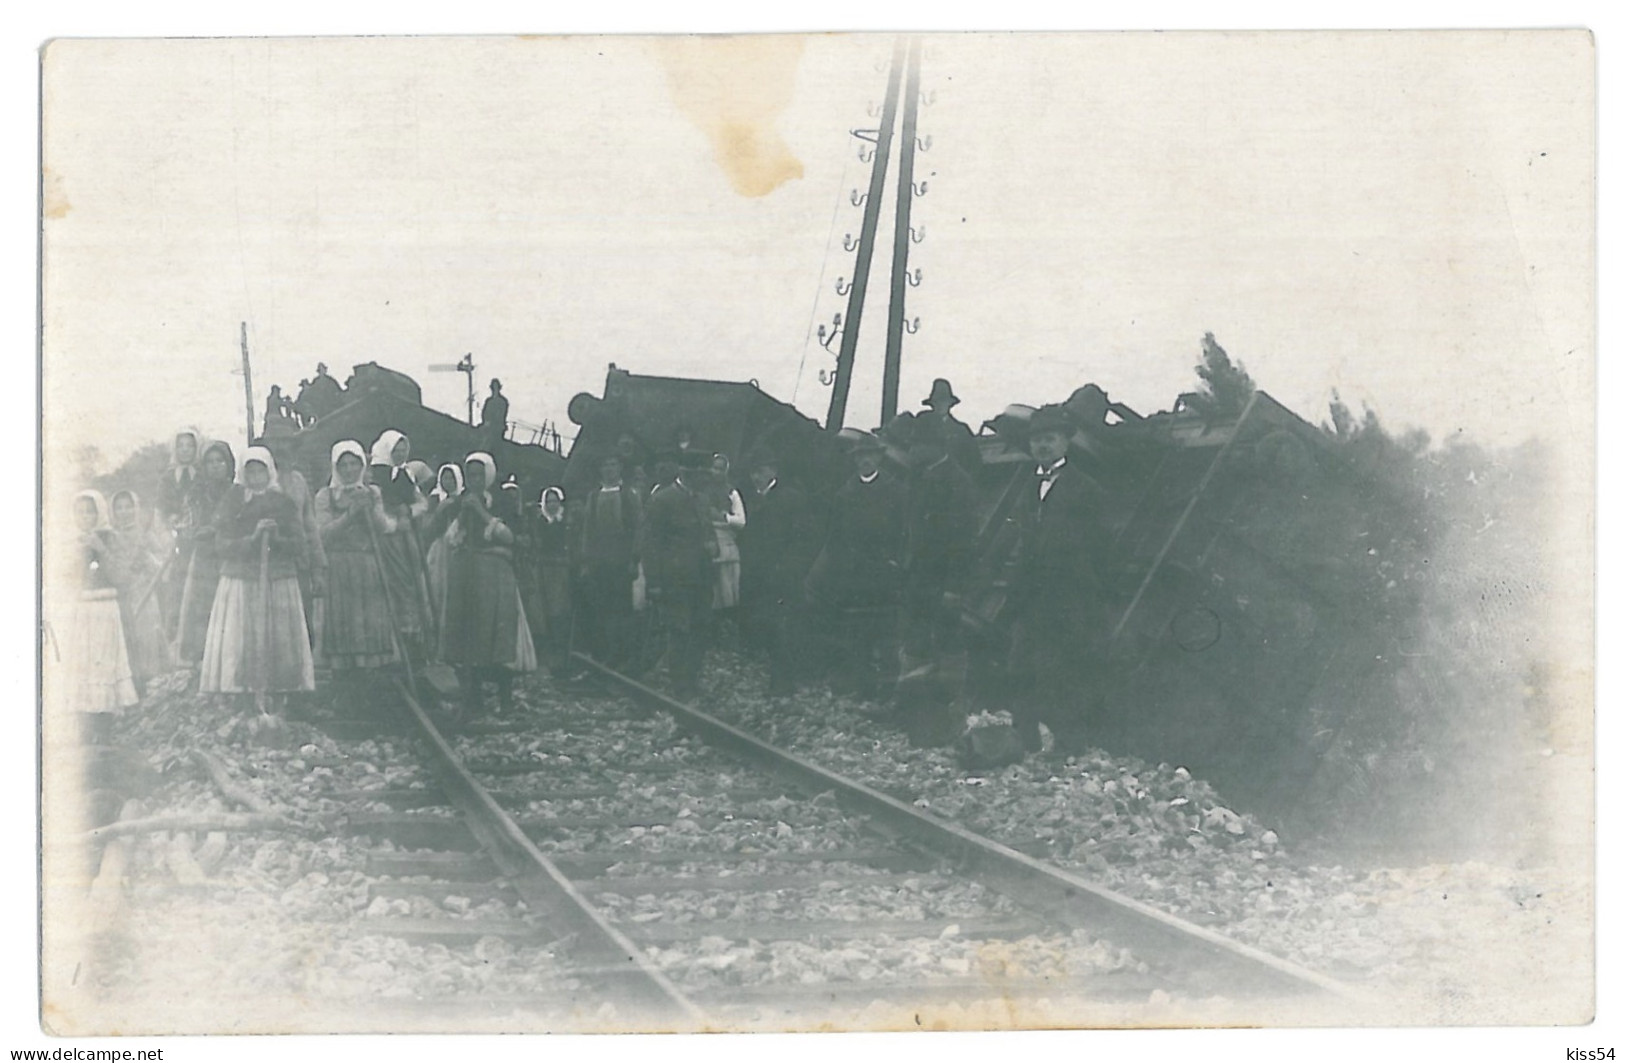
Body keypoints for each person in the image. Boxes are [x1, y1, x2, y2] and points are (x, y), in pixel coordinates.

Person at [1005, 405, 1112, 755]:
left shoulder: (1087, 488)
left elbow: (1100, 545)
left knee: (1064, 671)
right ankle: (1025, 740)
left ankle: (1068, 746)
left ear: (1066, 442)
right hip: (1031, 596)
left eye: (1050, 439)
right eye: (1037, 440)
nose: (1043, 446)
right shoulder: (1027, 488)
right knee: (1021, 666)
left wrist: (1080, 584)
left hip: (1069, 596)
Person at [198, 447, 315, 700]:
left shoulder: (284, 503)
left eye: (260, 470)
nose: (255, 476)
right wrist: (251, 539)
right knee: (242, 637)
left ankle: (282, 690)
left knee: (279, 637)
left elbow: (299, 543)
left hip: (278, 579)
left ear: (269, 471)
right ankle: (242, 691)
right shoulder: (232, 501)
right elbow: (221, 545)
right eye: (249, 471)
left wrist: (277, 538)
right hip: (241, 579)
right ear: (242, 473)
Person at [430, 452, 536, 714]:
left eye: (479, 475)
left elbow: (511, 537)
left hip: (496, 575)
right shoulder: (460, 503)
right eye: (470, 475)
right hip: (468, 573)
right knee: (470, 635)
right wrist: (461, 515)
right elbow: (451, 539)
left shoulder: (502, 502)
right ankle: (474, 697)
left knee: (498, 634)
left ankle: (505, 698)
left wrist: (480, 512)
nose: (475, 480)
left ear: (488, 475)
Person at [896, 413, 979, 744]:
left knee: (947, 645)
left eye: (916, 445)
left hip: (943, 582)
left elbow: (963, 541)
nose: (911, 451)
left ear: (934, 447)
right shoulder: (921, 478)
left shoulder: (957, 483)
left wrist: (954, 587)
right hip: (919, 578)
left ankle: (949, 715)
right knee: (915, 641)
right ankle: (910, 711)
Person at [806, 431, 907, 698]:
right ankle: (862, 688)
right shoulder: (844, 495)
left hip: (883, 573)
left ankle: (887, 692)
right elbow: (835, 537)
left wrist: (896, 562)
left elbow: (905, 532)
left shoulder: (896, 491)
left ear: (879, 458)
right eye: (861, 456)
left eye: (870, 455)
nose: (865, 461)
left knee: (886, 634)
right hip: (854, 575)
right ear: (855, 460)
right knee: (857, 633)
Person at [314, 440, 399, 675]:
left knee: (368, 623)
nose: (350, 470)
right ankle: (345, 683)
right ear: (336, 467)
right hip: (339, 567)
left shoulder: (372, 492)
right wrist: (350, 515)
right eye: (344, 465)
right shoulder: (325, 496)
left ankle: (370, 683)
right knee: (344, 623)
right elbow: (322, 534)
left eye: (355, 463)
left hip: (368, 565)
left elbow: (383, 527)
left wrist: (370, 508)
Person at [60, 490, 138, 737]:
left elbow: (122, 576)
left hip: (105, 609)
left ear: (100, 512)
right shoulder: (69, 541)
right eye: (80, 512)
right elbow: (63, 578)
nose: (85, 517)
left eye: (90, 511)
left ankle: (104, 724)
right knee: (82, 662)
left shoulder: (111, 538)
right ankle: (84, 723)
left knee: (104, 662)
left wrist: (101, 549)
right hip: (82, 610)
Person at [739, 450, 816, 696]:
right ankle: (779, 679)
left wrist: (786, 569)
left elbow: (802, 540)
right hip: (760, 576)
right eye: (753, 472)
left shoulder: (790, 498)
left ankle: (785, 682)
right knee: (768, 628)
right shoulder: (754, 499)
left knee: (783, 628)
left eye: (760, 471)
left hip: (782, 576)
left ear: (773, 471)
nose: (756, 477)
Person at [641, 453, 717, 699]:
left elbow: (708, 532)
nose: (704, 479)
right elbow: (651, 545)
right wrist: (653, 583)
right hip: (675, 579)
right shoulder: (662, 500)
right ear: (686, 473)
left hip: (702, 578)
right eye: (700, 474)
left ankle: (692, 680)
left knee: (701, 629)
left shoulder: (703, 500)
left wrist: (712, 546)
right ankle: (680, 685)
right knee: (679, 631)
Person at [369, 430, 435, 666]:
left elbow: (422, 503)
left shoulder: (407, 473)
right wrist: (396, 522)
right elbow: (376, 511)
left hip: (409, 536)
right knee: (397, 584)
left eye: (404, 450)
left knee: (413, 583)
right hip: (387, 539)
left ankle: (416, 641)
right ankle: (396, 643)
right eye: (396, 450)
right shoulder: (377, 476)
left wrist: (409, 512)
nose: (400, 454)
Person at [574, 454, 642, 668]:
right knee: (600, 608)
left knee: (621, 608)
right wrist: (586, 561)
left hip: (621, 560)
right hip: (599, 561)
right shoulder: (594, 496)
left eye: (613, 464)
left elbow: (639, 529)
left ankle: (623, 655)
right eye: (605, 465)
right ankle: (603, 655)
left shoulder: (629, 495)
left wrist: (634, 559)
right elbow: (587, 530)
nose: (609, 469)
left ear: (620, 467)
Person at [174, 439, 238, 665]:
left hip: (231, 558)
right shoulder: (196, 495)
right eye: (209, 462)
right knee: (202, 610)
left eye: (220, 461)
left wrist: (216, 529)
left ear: (229, 464)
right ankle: (201, 663)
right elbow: (187, 524)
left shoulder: (238, 493)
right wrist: (187, 531)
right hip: (204, 562)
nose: (215, 466)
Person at [108, 490, 174, 693]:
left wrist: (145, 558)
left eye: (128, 506)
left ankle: (151, 679)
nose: (124, 511)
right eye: (119, 507)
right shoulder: (111, 536)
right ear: (113, 511)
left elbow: (161, 562)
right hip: (122, 593)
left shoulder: (145, 534)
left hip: (143, 590)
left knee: (146, 634)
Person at [155, 426, 203, 637]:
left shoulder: (201, 475)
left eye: (189, 446)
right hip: (174, 538)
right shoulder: (167, 477)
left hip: (197, 537)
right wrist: (172, 520)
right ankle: (172, 634)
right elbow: (162, 506)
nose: (185, 450)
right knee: (175, 585)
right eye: (181, 446)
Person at [522, 486, 573, 675]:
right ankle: (545, 653)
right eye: (549, 501)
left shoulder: (566, 521)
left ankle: (560, 651)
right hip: (542, 568)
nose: (552, 505)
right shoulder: (539, 522)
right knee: (542, 608)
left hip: (560, 569)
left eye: (555, 501)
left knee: (559, 607)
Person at [707, 453, 747, 622]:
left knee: (727, 592)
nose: (716, 472)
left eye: (720, 469)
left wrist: (724, 517)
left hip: (726, 544)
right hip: (707, 543)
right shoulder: (701, 491)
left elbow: (741, 521)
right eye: (714, 468)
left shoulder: (732, 493)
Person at [425, 463, 463, 619]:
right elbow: (427, 528)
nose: (448, 482)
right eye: (444, 478)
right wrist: (440, 509)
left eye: (451, 478)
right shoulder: (435, 498)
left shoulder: (462, 498)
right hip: (440, 546)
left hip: (458, 546)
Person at [920, 378, 981, 473]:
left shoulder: (961, 430)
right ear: (932, 404)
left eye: (943, 401)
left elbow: (974, 460)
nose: (940, 405)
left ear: (950, 404)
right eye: (936, 402)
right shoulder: (922, 423)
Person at [480, 379, 509, 450]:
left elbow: (501, 415)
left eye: (496, 387)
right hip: (487, 427)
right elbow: (484, 413)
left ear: (499, 388)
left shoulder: (503, 401)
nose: (494, 389)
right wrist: (485, 422)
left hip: (497, 427)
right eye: (493, 387)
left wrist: (492, 422)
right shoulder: (488, 401)